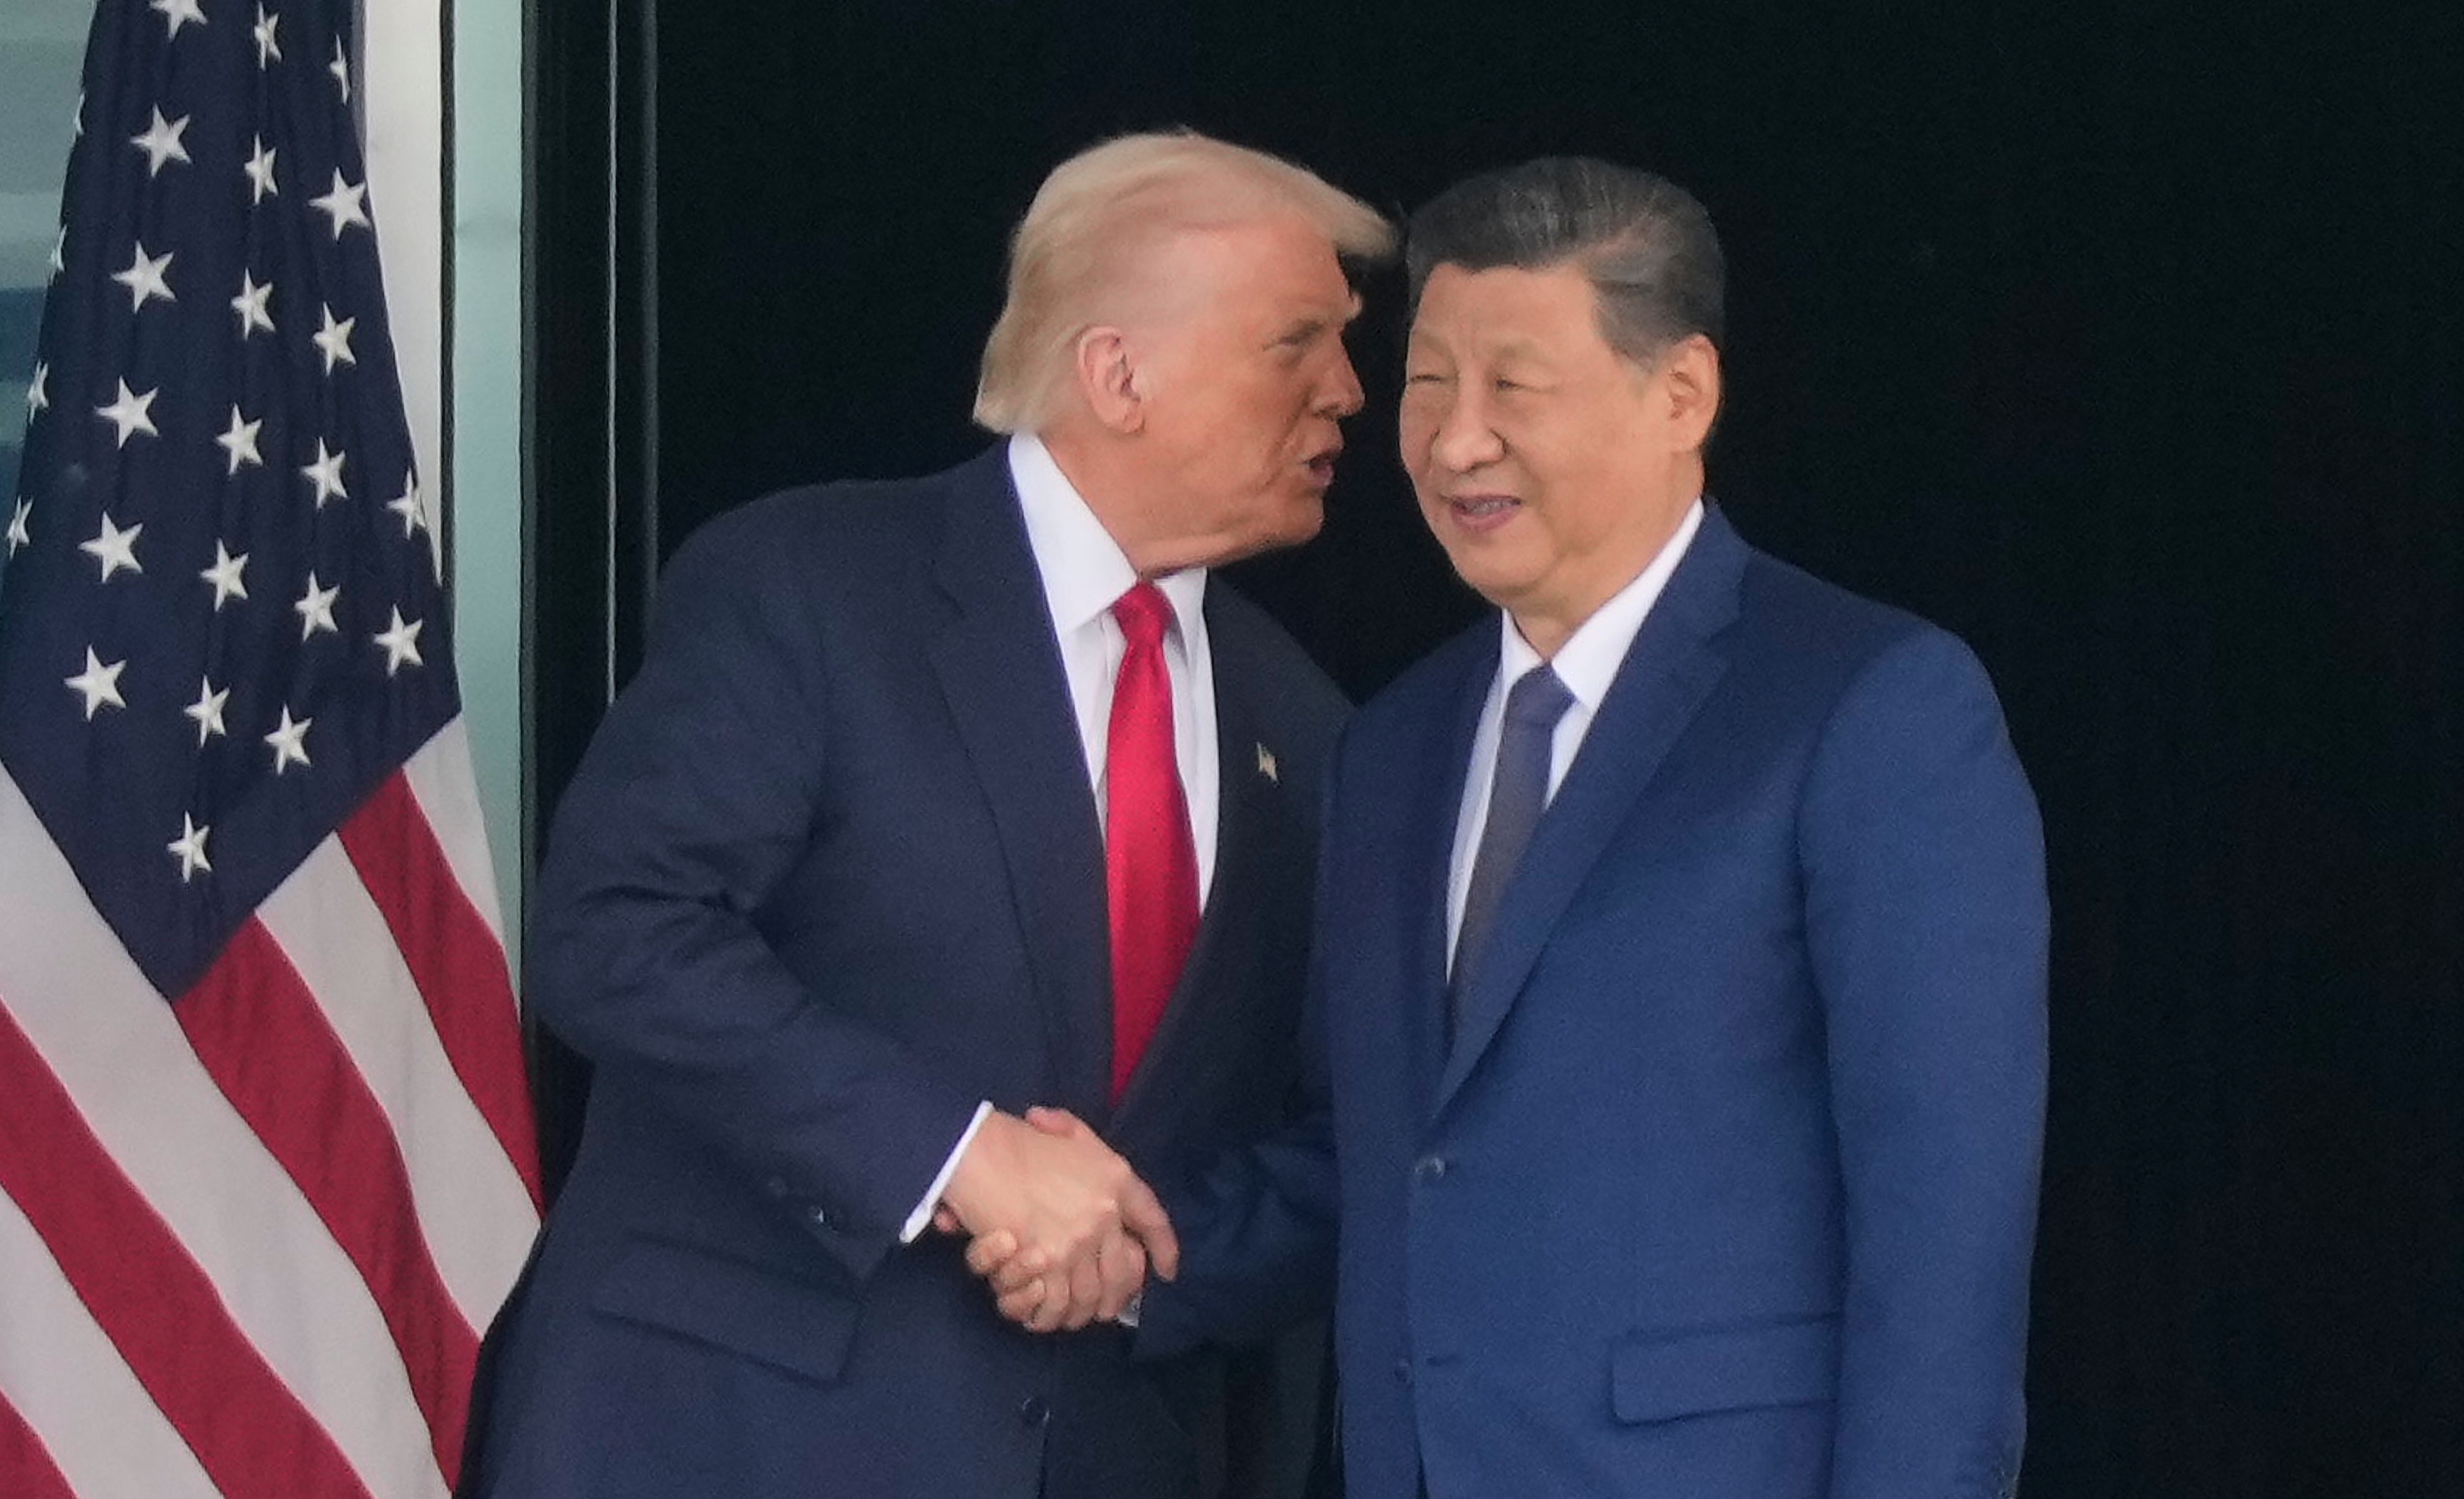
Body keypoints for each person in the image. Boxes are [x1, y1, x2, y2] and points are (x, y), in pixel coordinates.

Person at [988, 155, 2048, 1499]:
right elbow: (1378, 1157)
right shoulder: (1384, 747)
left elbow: (1939, 1240)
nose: (1450, 438)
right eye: (1428, 381)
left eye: (1512, 386)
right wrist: (1127, 1254)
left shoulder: (1867, 706)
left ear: (1681, 395)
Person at [461, 130, 1393, 1499]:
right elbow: (612, 931)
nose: (1349, 393)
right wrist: (961, 1156)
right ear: (1116, 372)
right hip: (727, 1438)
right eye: (1295, 342)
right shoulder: (814, 586)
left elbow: (1341, 1130)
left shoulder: (1308, 723)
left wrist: (1133, 1262)